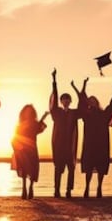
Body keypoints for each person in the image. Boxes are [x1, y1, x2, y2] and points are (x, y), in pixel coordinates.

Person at [75, 78, 112, 198]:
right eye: (89, 101)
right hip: (90, 143)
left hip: (101, 142)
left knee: (101, 166)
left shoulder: (103, 114)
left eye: (93, 100)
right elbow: (81, 102)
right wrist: (84, 85)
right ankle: (86, 188)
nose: (91, 102)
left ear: (96, 102)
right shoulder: (86, 114)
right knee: (88, 166)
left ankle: (99, 188)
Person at [49, 68, 80, 198]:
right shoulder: (56, 112)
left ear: (70, 101)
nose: (66, 101)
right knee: (58, 169)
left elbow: (83, 105)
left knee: (71, 169)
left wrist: (76, 88)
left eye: (68, 99)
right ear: (61, 101)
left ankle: (68, 190)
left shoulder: (74, 113)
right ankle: (57, 190)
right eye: (64, 99)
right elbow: (54, 98)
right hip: (59, 145)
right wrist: (54, 80)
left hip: (70, 146)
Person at [11, 105, 48, 199]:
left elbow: (40, 127)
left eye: (30, 111)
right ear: (23, 113)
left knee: (33, 168)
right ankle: (24, 188)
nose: (28, 113)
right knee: (23, 168)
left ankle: (31, 187)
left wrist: (44, 116)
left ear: (32, 113)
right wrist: (16, 147)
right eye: (26, 111)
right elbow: (14, 137)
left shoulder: (34, 124)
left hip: (32, 148)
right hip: (22, 149)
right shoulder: (19, 125)